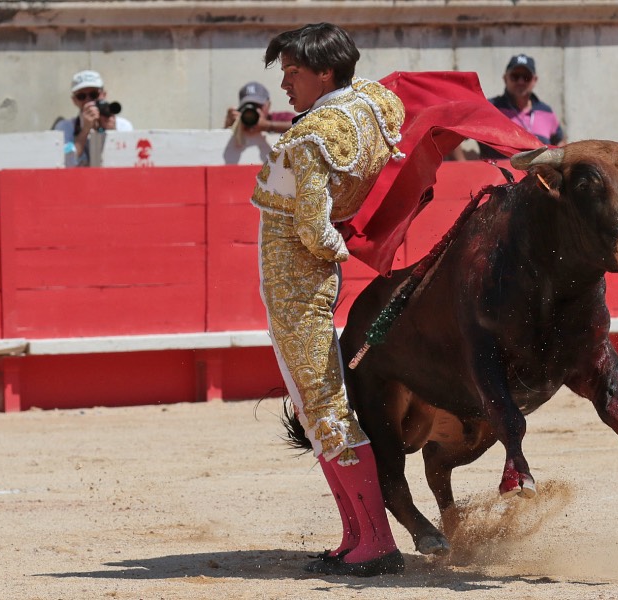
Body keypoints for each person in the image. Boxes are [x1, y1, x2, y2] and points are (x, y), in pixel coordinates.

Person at [251, 23, 406, 577]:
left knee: (324, 410)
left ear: (325, 73)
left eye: (293, 73)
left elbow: (315, 232)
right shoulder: (372, 103)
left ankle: (377, 543)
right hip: (308, 283)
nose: (285, 85)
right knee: (318, 411)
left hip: (298, 287)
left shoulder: (312, 136)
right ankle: (355, 536)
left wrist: (338, 244)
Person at [478, 53, 567, 159]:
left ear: (534, 80)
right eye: (515, 76)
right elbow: (460, 130)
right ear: (505, 78)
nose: (520, 82)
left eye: (526, 77)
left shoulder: (546, 112)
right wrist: (463, 162)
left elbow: (560, 143)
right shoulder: (490, 108)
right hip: (498, 170)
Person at [53, 70, 133, 167]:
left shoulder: (123, 125)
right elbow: (64, 163)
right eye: (81, 96)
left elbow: (127, 161)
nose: (88, 100)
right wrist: (85, 130)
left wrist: (112, 132)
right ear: (74, 100)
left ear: (103, 95)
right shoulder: (65, 127)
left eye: (93, 94)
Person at [223, 81, 296, 134]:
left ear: (268, 105)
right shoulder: (239, 123)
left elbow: (298, 127)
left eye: (258, 105)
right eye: (247, 105)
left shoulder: (282, 118)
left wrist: (268, 126)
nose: (252, 110)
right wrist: (228, 128)